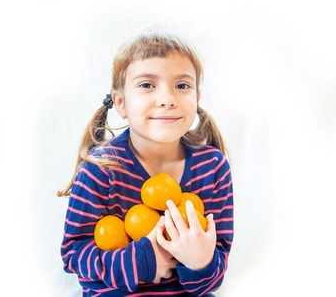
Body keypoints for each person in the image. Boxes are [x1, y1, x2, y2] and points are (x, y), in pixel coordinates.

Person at [58, 28, 234, 296]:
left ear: (196, 99)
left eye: (182, 86)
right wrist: (142, 262)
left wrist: (200, 262)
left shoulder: (213, 169)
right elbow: (73, 255)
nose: (167, 99)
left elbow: (212, 276)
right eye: (147, 85)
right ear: (121, 103)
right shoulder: (100, 171)